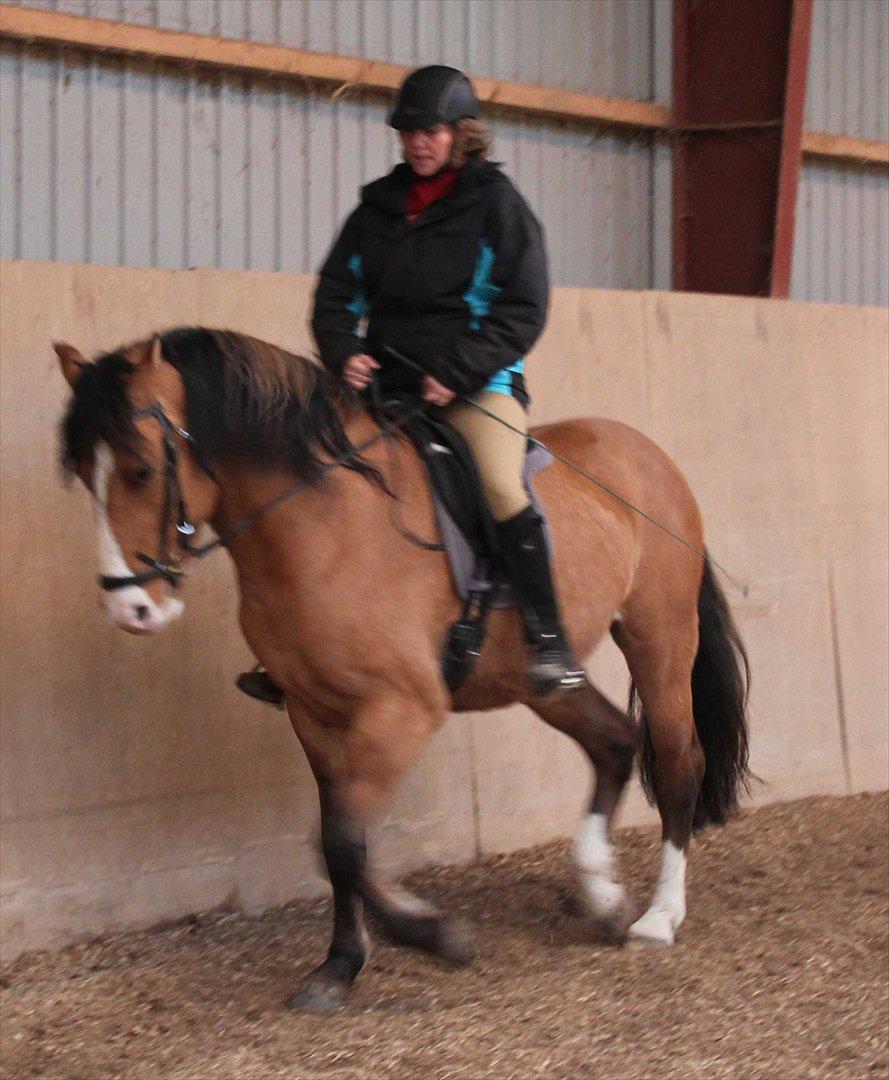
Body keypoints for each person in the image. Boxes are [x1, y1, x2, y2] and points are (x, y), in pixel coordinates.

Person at [237, 65, 585, 707]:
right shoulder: (377, 209)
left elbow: (524, 307)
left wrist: (457, 372)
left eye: (430, 132)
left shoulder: (497, 206)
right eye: (408, 133)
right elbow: (335, 297)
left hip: (477, 387)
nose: (417, 143)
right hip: (384, 389)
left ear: (460, 134)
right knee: (311, 475)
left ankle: (549, 637)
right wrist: (344, 352)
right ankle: (300, 653)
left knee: (501, 483)